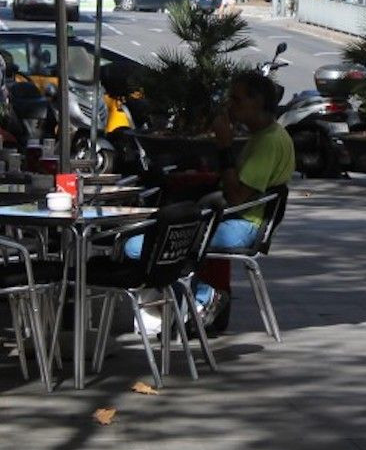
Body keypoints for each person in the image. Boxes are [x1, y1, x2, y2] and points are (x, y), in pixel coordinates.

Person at [124, 69, 293, 331]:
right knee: (154, 238)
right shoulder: (264, 136)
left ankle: (204, 296)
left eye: (236, 100)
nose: (230, 106)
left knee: (138, 246)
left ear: (257, 102)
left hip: (242, 225)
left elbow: (237, 196)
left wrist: (224, 145)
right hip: (237, 218)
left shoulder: (268, 143)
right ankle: (180, 306)